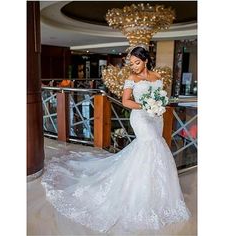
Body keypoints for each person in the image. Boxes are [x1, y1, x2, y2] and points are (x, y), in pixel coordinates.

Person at [41, 46, 191, 234]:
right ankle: (136, 193)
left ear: (145, 60)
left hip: (156, 118)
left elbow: (162, 97)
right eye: (132, 63)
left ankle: (155, 192)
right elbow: (126, 101)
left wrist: (159, 105)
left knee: (153, 149)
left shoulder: (158, 77)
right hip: (141, 117)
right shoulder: (132, 79)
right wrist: (145, 105)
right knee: (152, 144)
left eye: (137, 62)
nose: (134, 66)